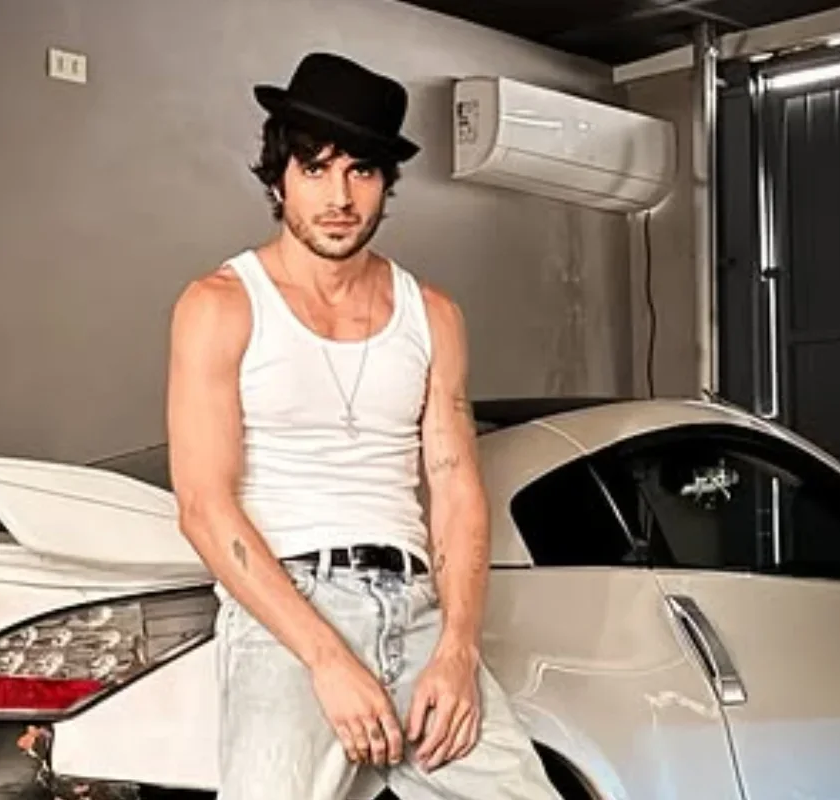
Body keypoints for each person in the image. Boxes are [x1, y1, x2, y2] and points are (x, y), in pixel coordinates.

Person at [166, 51, 562, 800]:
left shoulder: (433, 315)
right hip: (287, 613)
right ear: (279, 177)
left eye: (362, 171)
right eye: (315, 169)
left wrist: (457, 650)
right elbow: (203, 507)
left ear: (386, 183)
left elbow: (457, 493)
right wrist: (326, 659)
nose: (339, 196)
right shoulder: (220, 304)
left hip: (416, 607)